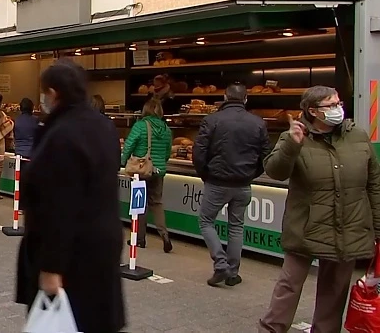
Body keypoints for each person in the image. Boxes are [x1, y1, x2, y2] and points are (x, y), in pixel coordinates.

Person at [259, 86, 380, 332]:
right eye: (330, 106)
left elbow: (374, 182)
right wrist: (292, 146)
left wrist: (377, 228)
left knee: (335, 291)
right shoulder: (294, 137)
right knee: (289, 286)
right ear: (312, 111)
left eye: (338, 103)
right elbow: (275, 171)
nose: (338, 109)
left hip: (349, 226)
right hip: (306, 226)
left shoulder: (356, 135)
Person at [16, 59, 125, 332]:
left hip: (73, 256)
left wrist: (52, 267)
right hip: (102, 246)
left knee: (69, 321)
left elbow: (57, 206)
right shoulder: (103, 127)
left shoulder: (62, 134)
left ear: (53, 93)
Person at [192, 83, 270, 286]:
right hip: (243, 183)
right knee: (236, 226)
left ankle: (220, 265)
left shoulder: (212, 120)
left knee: (206, 221)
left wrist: (205, 174)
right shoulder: (258, 123)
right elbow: (266, 156)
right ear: (246, 99)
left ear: (225, 98)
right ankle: (233, 272)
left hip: (217, 181)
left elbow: (199, 152)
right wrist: (251, 174)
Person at [121, 97, 173, 252]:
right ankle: (165, 235)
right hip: (158, 171)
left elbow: (129, 144)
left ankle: (139, 238)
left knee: (139, 204)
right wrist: (160, 164)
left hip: (141, 170)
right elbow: (168, 152)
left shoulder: (140, 126)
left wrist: (123, 161)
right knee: (156, 203)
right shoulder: (166, 128)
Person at [13, 98, 39, 164]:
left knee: (19, 172)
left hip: (18, 152)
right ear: (32, 108)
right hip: (32, 153)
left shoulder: (17, 120)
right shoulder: (36, 120)